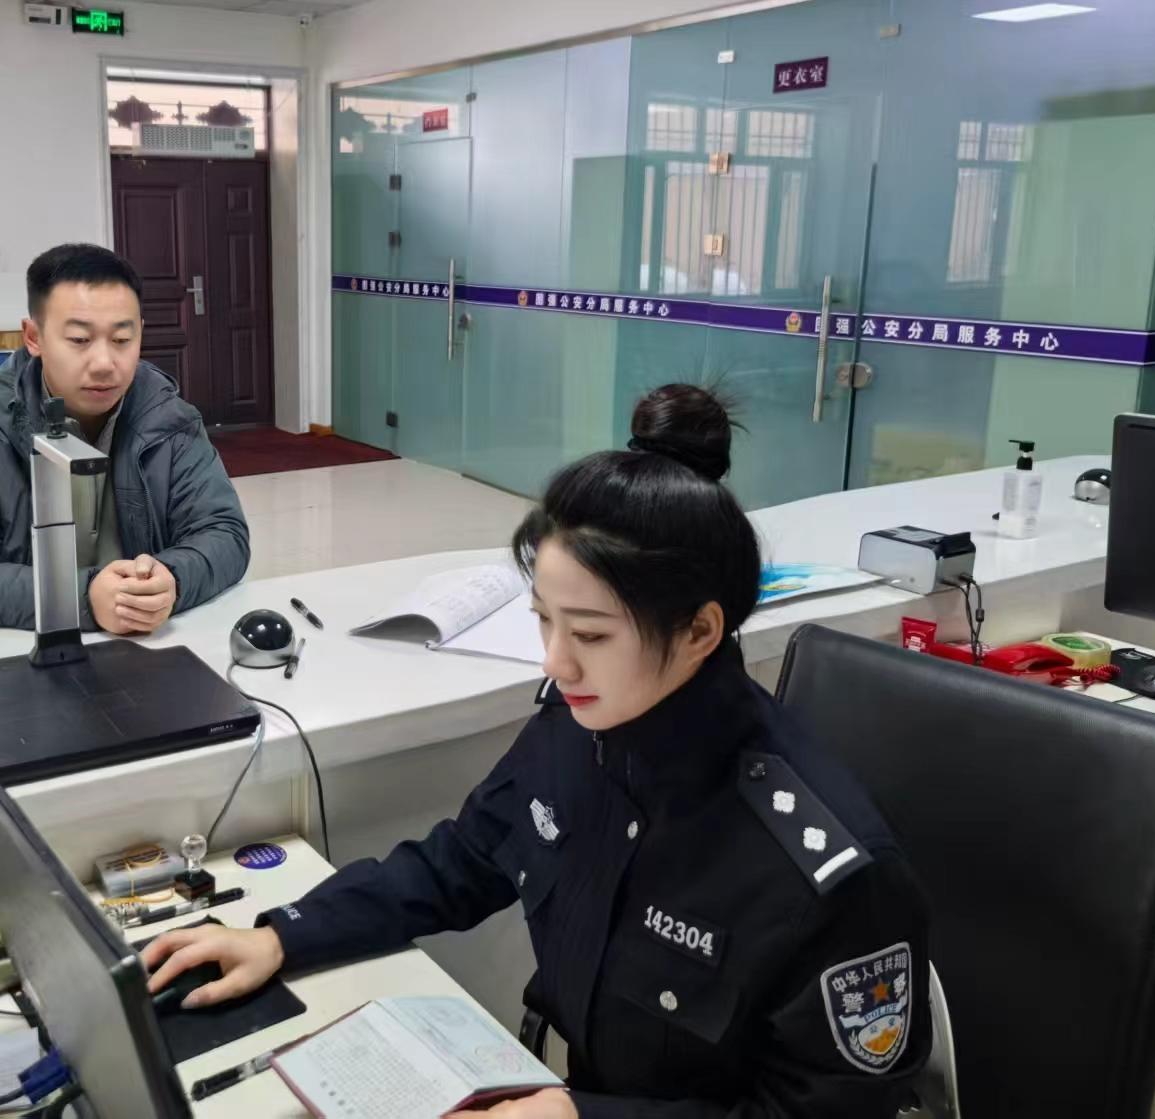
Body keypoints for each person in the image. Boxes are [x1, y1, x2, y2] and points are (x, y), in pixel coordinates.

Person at [143, 385, 932, 1117]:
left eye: (589, 634)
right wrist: (285, 933)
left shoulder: (825, 871)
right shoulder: (578, 727)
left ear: (698, 630)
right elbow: (461, 858)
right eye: (543, 619)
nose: (555, 662)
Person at [0, 243, 249, 634]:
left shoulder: (170, 421)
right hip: (28, 650)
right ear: (34, 337)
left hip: (148, 648)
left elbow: (225, 534)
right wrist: (84, 598)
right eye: (79, 340)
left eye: (122, 340)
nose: (104, 363)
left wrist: (172, 578)